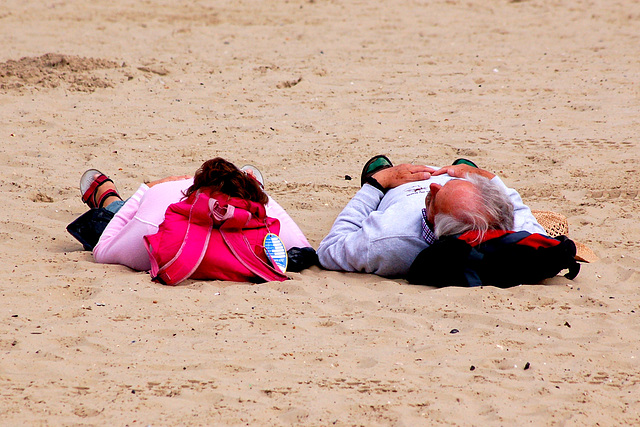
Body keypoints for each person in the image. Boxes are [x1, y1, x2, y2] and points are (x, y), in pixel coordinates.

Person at [67, 157, 316, 273]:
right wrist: (258, 193)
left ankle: (109, 199)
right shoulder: (265, 216)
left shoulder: (153, 220)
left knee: (122, 215)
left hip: (162, 209)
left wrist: (148, 189)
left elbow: (102, 250)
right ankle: (250, 184)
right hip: (247, 234)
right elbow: (306, 249)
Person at [316, 155, 546, 278]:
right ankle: (463, 172)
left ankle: (380, 172)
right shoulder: (522, 236)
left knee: (380, 172)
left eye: (434, 200)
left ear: (439, 227)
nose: (433, 186)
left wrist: (376, 184)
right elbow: (515, 207)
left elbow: (329, 250)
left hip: (399, 188)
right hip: (468, 189)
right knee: (462, 169)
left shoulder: (387, 238)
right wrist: (486, 178)